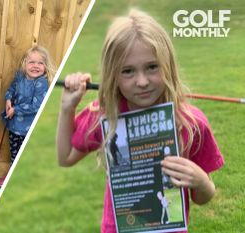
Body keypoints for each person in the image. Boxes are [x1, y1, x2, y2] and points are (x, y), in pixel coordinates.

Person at [56, 9, 224, 233]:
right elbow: (66, 157)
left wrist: (202, 182)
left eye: (152, 67)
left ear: (168, 65)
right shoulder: (106, 115)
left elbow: (204, 197)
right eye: (128, 71)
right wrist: (67, 108)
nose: (142, 81)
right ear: (112, 75)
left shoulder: (190, 123)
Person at [0, 45, 55, 187]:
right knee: (14, 153)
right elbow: (11, 89)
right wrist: (9, 100)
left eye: (40, 63)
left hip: (28, 128)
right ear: (25, 64)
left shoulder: (41, 83)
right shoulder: (19, 76)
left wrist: (16, 109)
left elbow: (37, 105)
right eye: (32, 62)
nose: (36, 66)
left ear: (46, 67)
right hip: (14, 125)